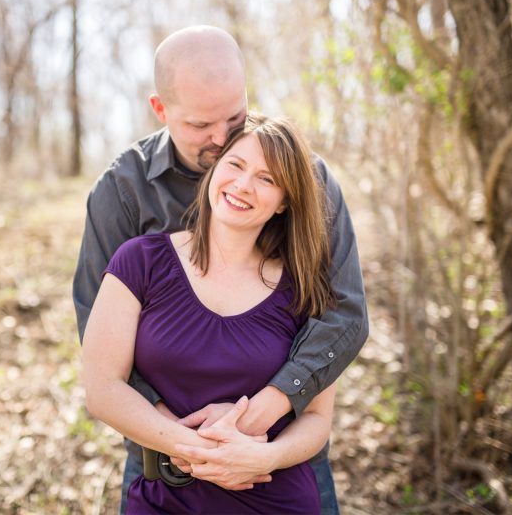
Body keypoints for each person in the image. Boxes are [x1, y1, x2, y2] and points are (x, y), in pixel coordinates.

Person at [73, 25, 368, 514]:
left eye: (234, 116)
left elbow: (343, 315)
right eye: (199, 125)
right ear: (161, 110)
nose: (221, 138)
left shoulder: (307, 179)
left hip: (278, 457)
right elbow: (97, 333)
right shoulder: (123, 193)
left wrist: (256, 423)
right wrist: (185, 438)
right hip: (164, 459)